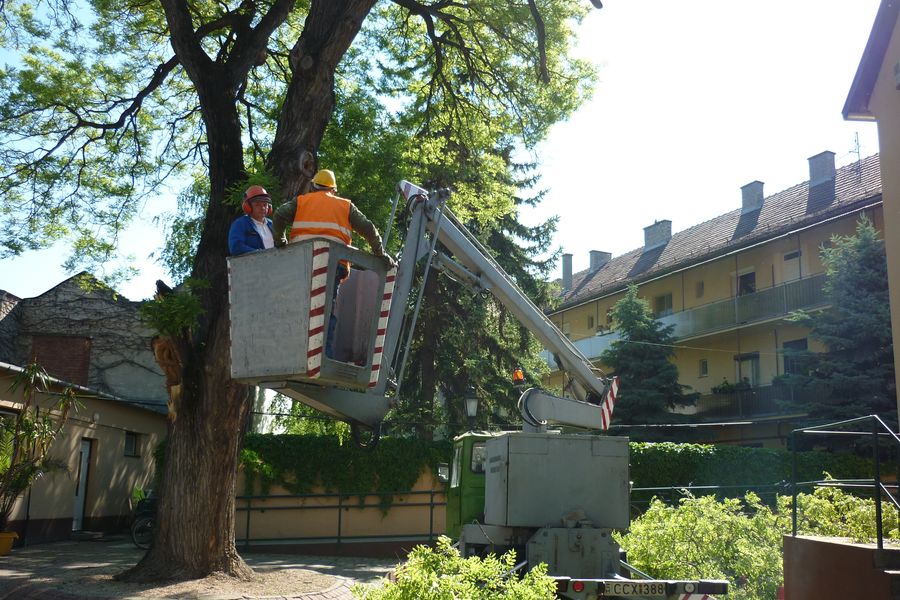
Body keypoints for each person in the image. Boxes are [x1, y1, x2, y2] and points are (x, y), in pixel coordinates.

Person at [273, 169, 395, 358]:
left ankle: (291, 354)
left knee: (298, 308)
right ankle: (323, 356)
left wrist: (280, 242)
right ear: (334, 190)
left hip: (301, 263)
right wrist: (380, 253)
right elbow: (369, 228)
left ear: (313, 187)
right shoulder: (345, 206)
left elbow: (280, 214)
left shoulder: (301, 202)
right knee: (325, 310)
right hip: (332, 265)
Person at [229, 185, 275, 255]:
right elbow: (236, 247)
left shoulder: (273, 224)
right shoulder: (240, 224)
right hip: (254, 264)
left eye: (265, 205)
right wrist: (260, 254)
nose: (262, 208)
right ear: (248, 207)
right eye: (257, 205)